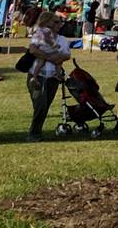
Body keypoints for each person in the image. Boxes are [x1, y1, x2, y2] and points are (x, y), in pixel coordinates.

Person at [26, 10, 71, 139]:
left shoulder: (62, 39)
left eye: (59, 22)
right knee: (41, 105)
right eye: (55, 22)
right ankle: (33, 134)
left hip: (53, 77)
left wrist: (57, 57)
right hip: (38, 75)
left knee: (45, 106)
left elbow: (67, 55)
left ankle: (37, 131)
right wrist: (51, 57)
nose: (58, 24)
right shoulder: (40, 33)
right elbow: (33, 49)